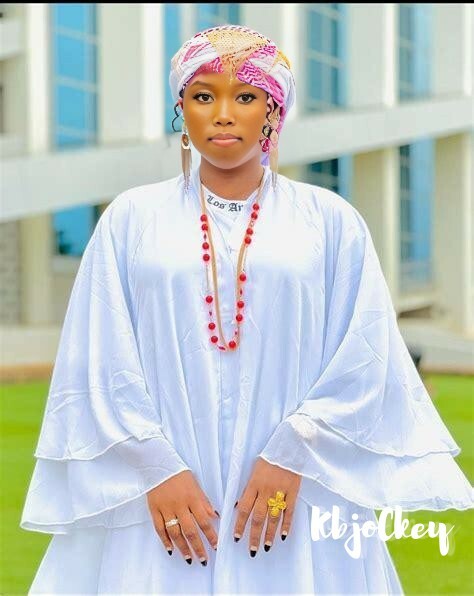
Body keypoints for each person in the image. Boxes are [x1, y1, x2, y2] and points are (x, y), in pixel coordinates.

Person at [21, 24, 473, 595]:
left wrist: (295, 452)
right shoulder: (132, 220)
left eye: (245, 96)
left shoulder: (328, 221)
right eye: (203, 95)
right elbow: (98, 355)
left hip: (296, 490)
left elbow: (366, 354)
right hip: (160, 495)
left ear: (273, 111)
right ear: (180, 109)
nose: (223, 114)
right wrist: (155, 468)